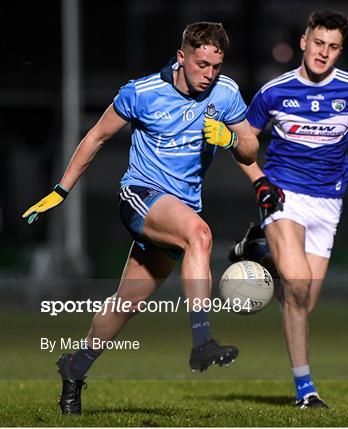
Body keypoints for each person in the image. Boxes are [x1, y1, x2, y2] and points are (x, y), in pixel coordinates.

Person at [22, 22, 258, 414]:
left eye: (216, 66)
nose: (209, 74)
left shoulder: (226, 92)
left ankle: (74, 367)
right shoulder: (142, 92)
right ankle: (203, 342)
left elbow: (250, 148)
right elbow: (96, 136)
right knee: (200, 235)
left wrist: (232, 139)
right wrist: (61, 190)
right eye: (201, 64)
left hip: (177, 213)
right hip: (140, 197)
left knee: (125, 304)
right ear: (181, 57)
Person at [234, 11, 348, 407]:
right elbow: (243, 145)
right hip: (285, 195)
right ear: (303, 42)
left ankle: (258, 251)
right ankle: (306, 390)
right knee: (296, 286)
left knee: (303, 302)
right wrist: (261, 183)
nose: (324, 53)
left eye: (333, 47)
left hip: (328, 201)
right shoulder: (273, 92)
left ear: (340, 50)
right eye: (318, 44)